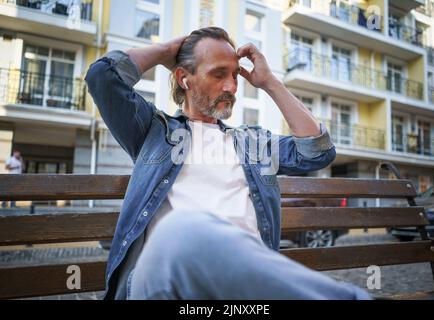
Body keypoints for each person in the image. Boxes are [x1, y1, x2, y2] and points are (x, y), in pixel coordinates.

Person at [85, 27, 371, 300]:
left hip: (244, 293)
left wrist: (269, 82)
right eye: (219, 74)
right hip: (168, 282)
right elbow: (102, 77)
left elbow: (318, 152)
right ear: (185, 78)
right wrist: (166, 51)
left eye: (235, 75)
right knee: (180, 229)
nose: (231, 86)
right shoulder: (154, 131)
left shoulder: (252, 143)